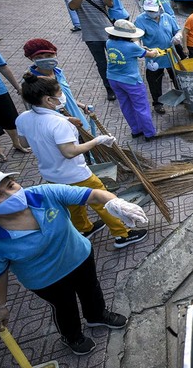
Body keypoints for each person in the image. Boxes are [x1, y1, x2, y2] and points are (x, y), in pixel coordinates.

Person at [0, 167, 148, 355]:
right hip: (46, 279)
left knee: (91, 288)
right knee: (65, 306)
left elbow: (93, 194)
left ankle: (97, 315)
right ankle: (72, 337)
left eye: (11, 185)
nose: (11, 195)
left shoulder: (43, 194)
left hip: (79, 256)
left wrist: (118, 204)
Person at [16, 73, 149, 247]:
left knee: (72, 203)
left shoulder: (23, 118)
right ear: (49, 100)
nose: (62, 97)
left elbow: (24, 141)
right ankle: (123, 234)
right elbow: (69, 152)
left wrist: (64, 120)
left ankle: (85, 228)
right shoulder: (58, 124)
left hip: (51, 174)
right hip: (76, 174)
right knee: (104, 202)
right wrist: (97, 141)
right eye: (59, 93)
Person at [65, 0, 117, 101]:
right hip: (91, 36)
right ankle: (109, 89)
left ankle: (119, 86)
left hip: (108, 33)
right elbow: (73, 6)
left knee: (116, 60)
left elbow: (110, 4)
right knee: (101, 64)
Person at [105, 20, 161, 141]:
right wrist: (155, 51)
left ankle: (136, 130)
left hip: (113, 79)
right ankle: (149, 133)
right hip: (131, 81)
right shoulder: (131, 47)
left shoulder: (109, 42)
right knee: (141, 107)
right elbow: (150, 54)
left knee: (126, 105)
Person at [23, 38, 91, 130]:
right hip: (59, 127)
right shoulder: (32, 82)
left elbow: (66, 95)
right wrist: (67, 119)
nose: (45, 60)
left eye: (49, 55)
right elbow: (36, 111)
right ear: (31, 58)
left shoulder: (58, 72)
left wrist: (81, 105)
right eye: (39, 58)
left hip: (78, 121)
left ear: (55, 54)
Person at [135, 0, 181, 115]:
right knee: (154, 81)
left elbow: (177, 30)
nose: (152, 13)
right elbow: (136, 38)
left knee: (177, 77)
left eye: (153, 10)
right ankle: (158, 103)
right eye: (149, 11)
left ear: (159, 7)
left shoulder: (167, 18)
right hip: (154, 57)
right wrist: (139, 47)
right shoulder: (140, 20)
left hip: (171, 54)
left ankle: (181, 96)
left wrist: (178, 36)